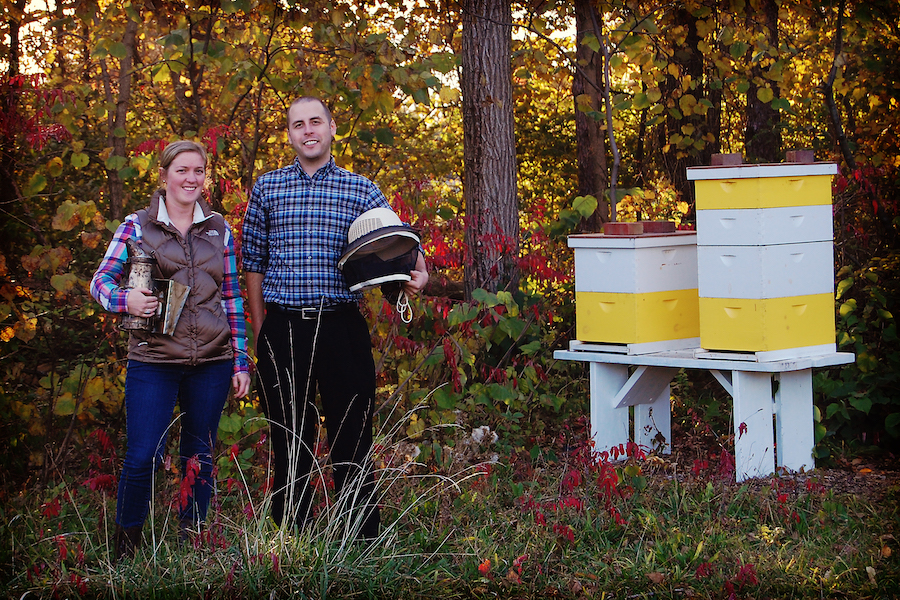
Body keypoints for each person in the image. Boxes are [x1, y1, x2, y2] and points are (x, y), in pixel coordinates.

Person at [241, 96, 428, 539]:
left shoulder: (360, 189)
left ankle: (359, 537)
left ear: (331, 127)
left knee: (352, 433)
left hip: (342, 326)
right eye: (297, 125)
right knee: (290, 436)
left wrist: (418, 272)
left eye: (315, 122)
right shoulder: (268, 189)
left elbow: (398, 244)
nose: (308, 131)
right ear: (289, 134)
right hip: (283, 326)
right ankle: (293, 538)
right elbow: (253, 262)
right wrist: (259, 326)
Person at [90, 140, 251, 559]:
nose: (191, 179)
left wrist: (240, 360)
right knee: (142, 455)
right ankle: (126, 550)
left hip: (211, 362)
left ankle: (192, 542)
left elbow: (232, 297)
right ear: (164, 176)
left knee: (198, 455)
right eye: (182, 170)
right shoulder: (137, 225)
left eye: (198, 171)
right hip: (154, 360)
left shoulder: (219, 229)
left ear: (205, 177)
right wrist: (126, 301)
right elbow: (100, 281)